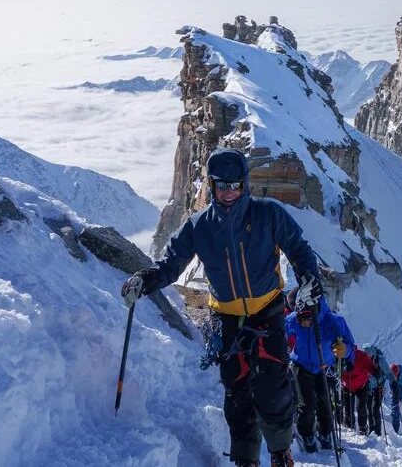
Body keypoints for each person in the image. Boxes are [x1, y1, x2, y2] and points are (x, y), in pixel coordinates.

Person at [121, 148, 322, 467]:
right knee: (237, 392)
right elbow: (172, 263)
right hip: (227, 318)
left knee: (271, 386)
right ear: (212, 185)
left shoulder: (268, 213)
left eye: (235, 185)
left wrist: (309, 279)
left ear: (245, 184)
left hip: (268, 311)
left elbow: (298, 248)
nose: (229, 192)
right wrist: (147, 278)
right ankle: (246, 459)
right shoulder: (199, 226)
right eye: (221, 185)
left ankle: (280, 451)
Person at [284, 296, 354, 453]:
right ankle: (307, 434)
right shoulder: (293, 319)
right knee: (306, 404)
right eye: (301, 320)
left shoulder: (333, 321)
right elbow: (282, 331)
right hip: (301, 364)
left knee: (325, 402)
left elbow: (349, 343)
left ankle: (325, 432)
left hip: (325, 366)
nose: (304, 323)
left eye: (307, 319)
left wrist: (346, 353)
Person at [339, 346, 375, 434]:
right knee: (348, 407)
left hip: (361, 386)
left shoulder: (361, 356)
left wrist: (375, 371)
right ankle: (350, 426)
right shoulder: (340, 356)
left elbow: (370, 366)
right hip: (347, 386)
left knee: (360, 407)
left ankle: (362, 428)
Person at [362, 345, 390, 436]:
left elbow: (387, 374)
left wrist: (380, 378)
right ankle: (372, 430)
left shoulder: (381, 360)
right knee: (369, 408)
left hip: (378, 387)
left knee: (374, 409)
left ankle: (377, 431)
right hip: (369, 387)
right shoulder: (366, 360)